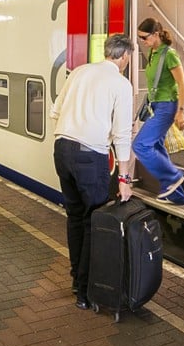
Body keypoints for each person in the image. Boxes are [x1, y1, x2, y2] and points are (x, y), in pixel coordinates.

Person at [50, 33, 135, 309]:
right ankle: (85, 292)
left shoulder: (80, 72)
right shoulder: (121, 84)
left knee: (75, 217)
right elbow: (122, 135)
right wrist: (124, 179)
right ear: (124, 57)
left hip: (62, 149)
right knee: (92, 221)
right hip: (90, 157)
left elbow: (56, 111)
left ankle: (77, 278)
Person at [133, 18, 184, 204]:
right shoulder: (153, 53)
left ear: (156, 34)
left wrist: (180, 111)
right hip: (156, 106)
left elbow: (182, 84)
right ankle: (176, 195)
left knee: (140, 145)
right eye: (140, 38)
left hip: (167, 106)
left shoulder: (169, 54)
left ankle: (173, 177)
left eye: (145, 37)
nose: (142, 41)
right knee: (156, 146)